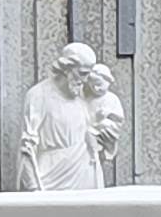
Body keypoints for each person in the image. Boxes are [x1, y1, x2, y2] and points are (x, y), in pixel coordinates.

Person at [14, 42, 126, 192]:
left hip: (86, 171)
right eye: (82, 73)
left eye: (88, 74)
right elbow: (27, 145)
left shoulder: (83, 95)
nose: (85, 80)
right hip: (52, 176)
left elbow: (100, 131)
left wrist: (107, 132)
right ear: (67, 69)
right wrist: (33, 187)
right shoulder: (39, 95)